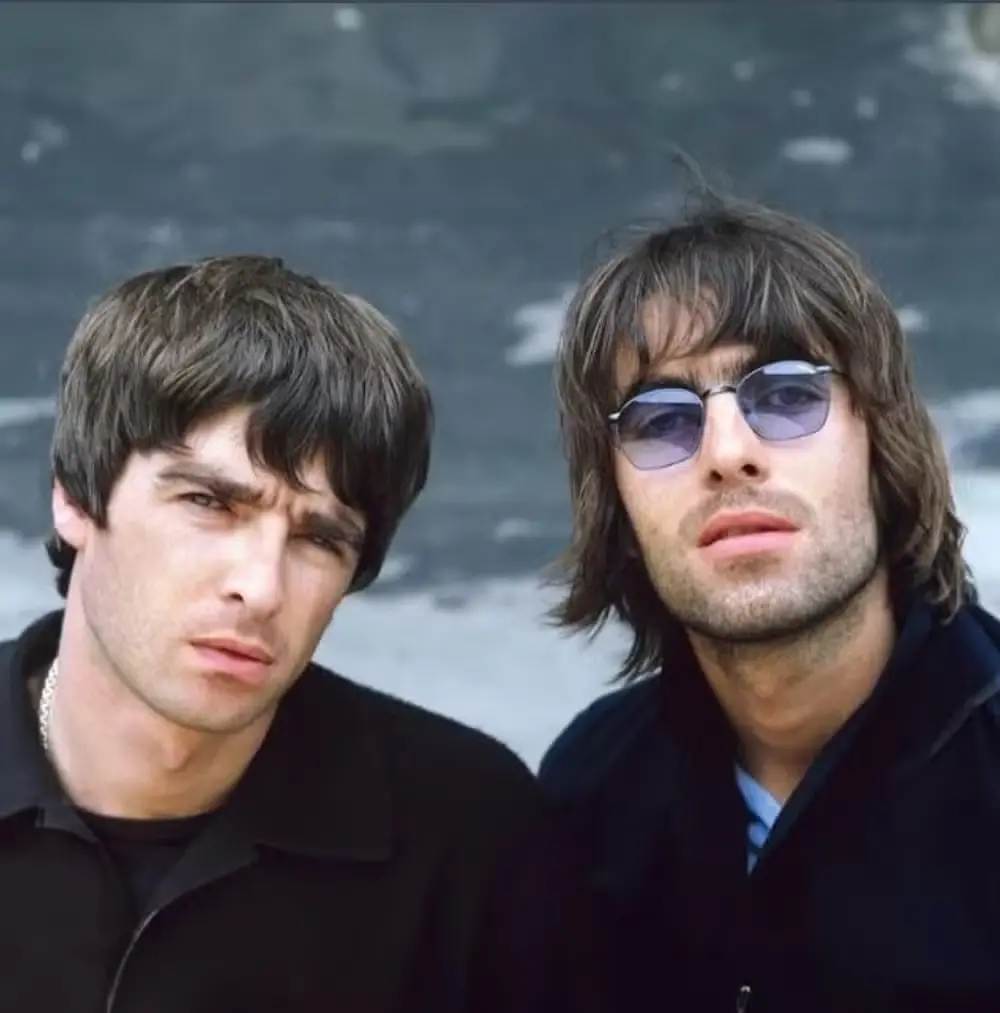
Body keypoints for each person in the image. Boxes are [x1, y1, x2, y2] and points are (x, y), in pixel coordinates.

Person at [0, 255, 610, 1013]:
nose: (261, 588)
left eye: (320, 539)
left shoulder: (471, 833)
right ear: (74, 498)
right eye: (209, 503)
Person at [538, 194, 1000, 1013]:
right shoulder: (587, 795)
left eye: (787, 396)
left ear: (883, 444)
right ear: (617, 506)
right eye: (661, 420)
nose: (727, 453)